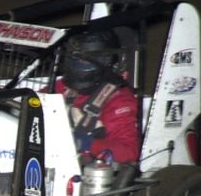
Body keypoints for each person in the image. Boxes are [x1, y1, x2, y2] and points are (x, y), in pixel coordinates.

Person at [57, 29, 139, 165]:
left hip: (85, 172)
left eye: (84, 60)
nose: (78, 65)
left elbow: (130, 151)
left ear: (106, 61)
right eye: (75, 59)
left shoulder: (119, 101)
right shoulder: (63, 87)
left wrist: (89, 145)